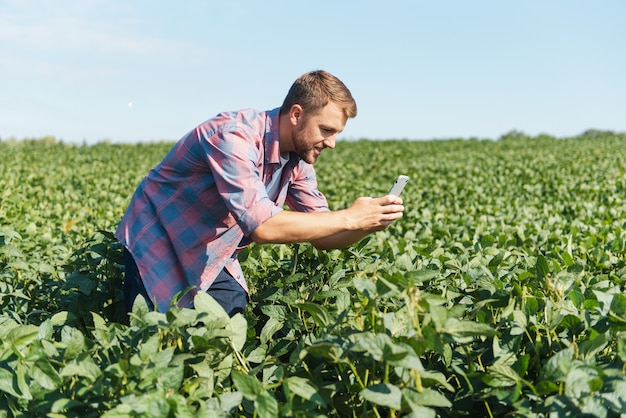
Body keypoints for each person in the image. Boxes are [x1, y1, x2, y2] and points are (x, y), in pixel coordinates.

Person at [116, 70, 404, 316]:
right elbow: (264, 226)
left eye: (337, 133)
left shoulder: (297, 162)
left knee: (229, 312)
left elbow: (324, 236)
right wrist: (350, 218)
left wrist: (370, 222)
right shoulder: (233, 136)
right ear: (296, 114)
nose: (332, 143)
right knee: (156, 338)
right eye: (326, 130)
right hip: (159, 240)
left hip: (210, 248)